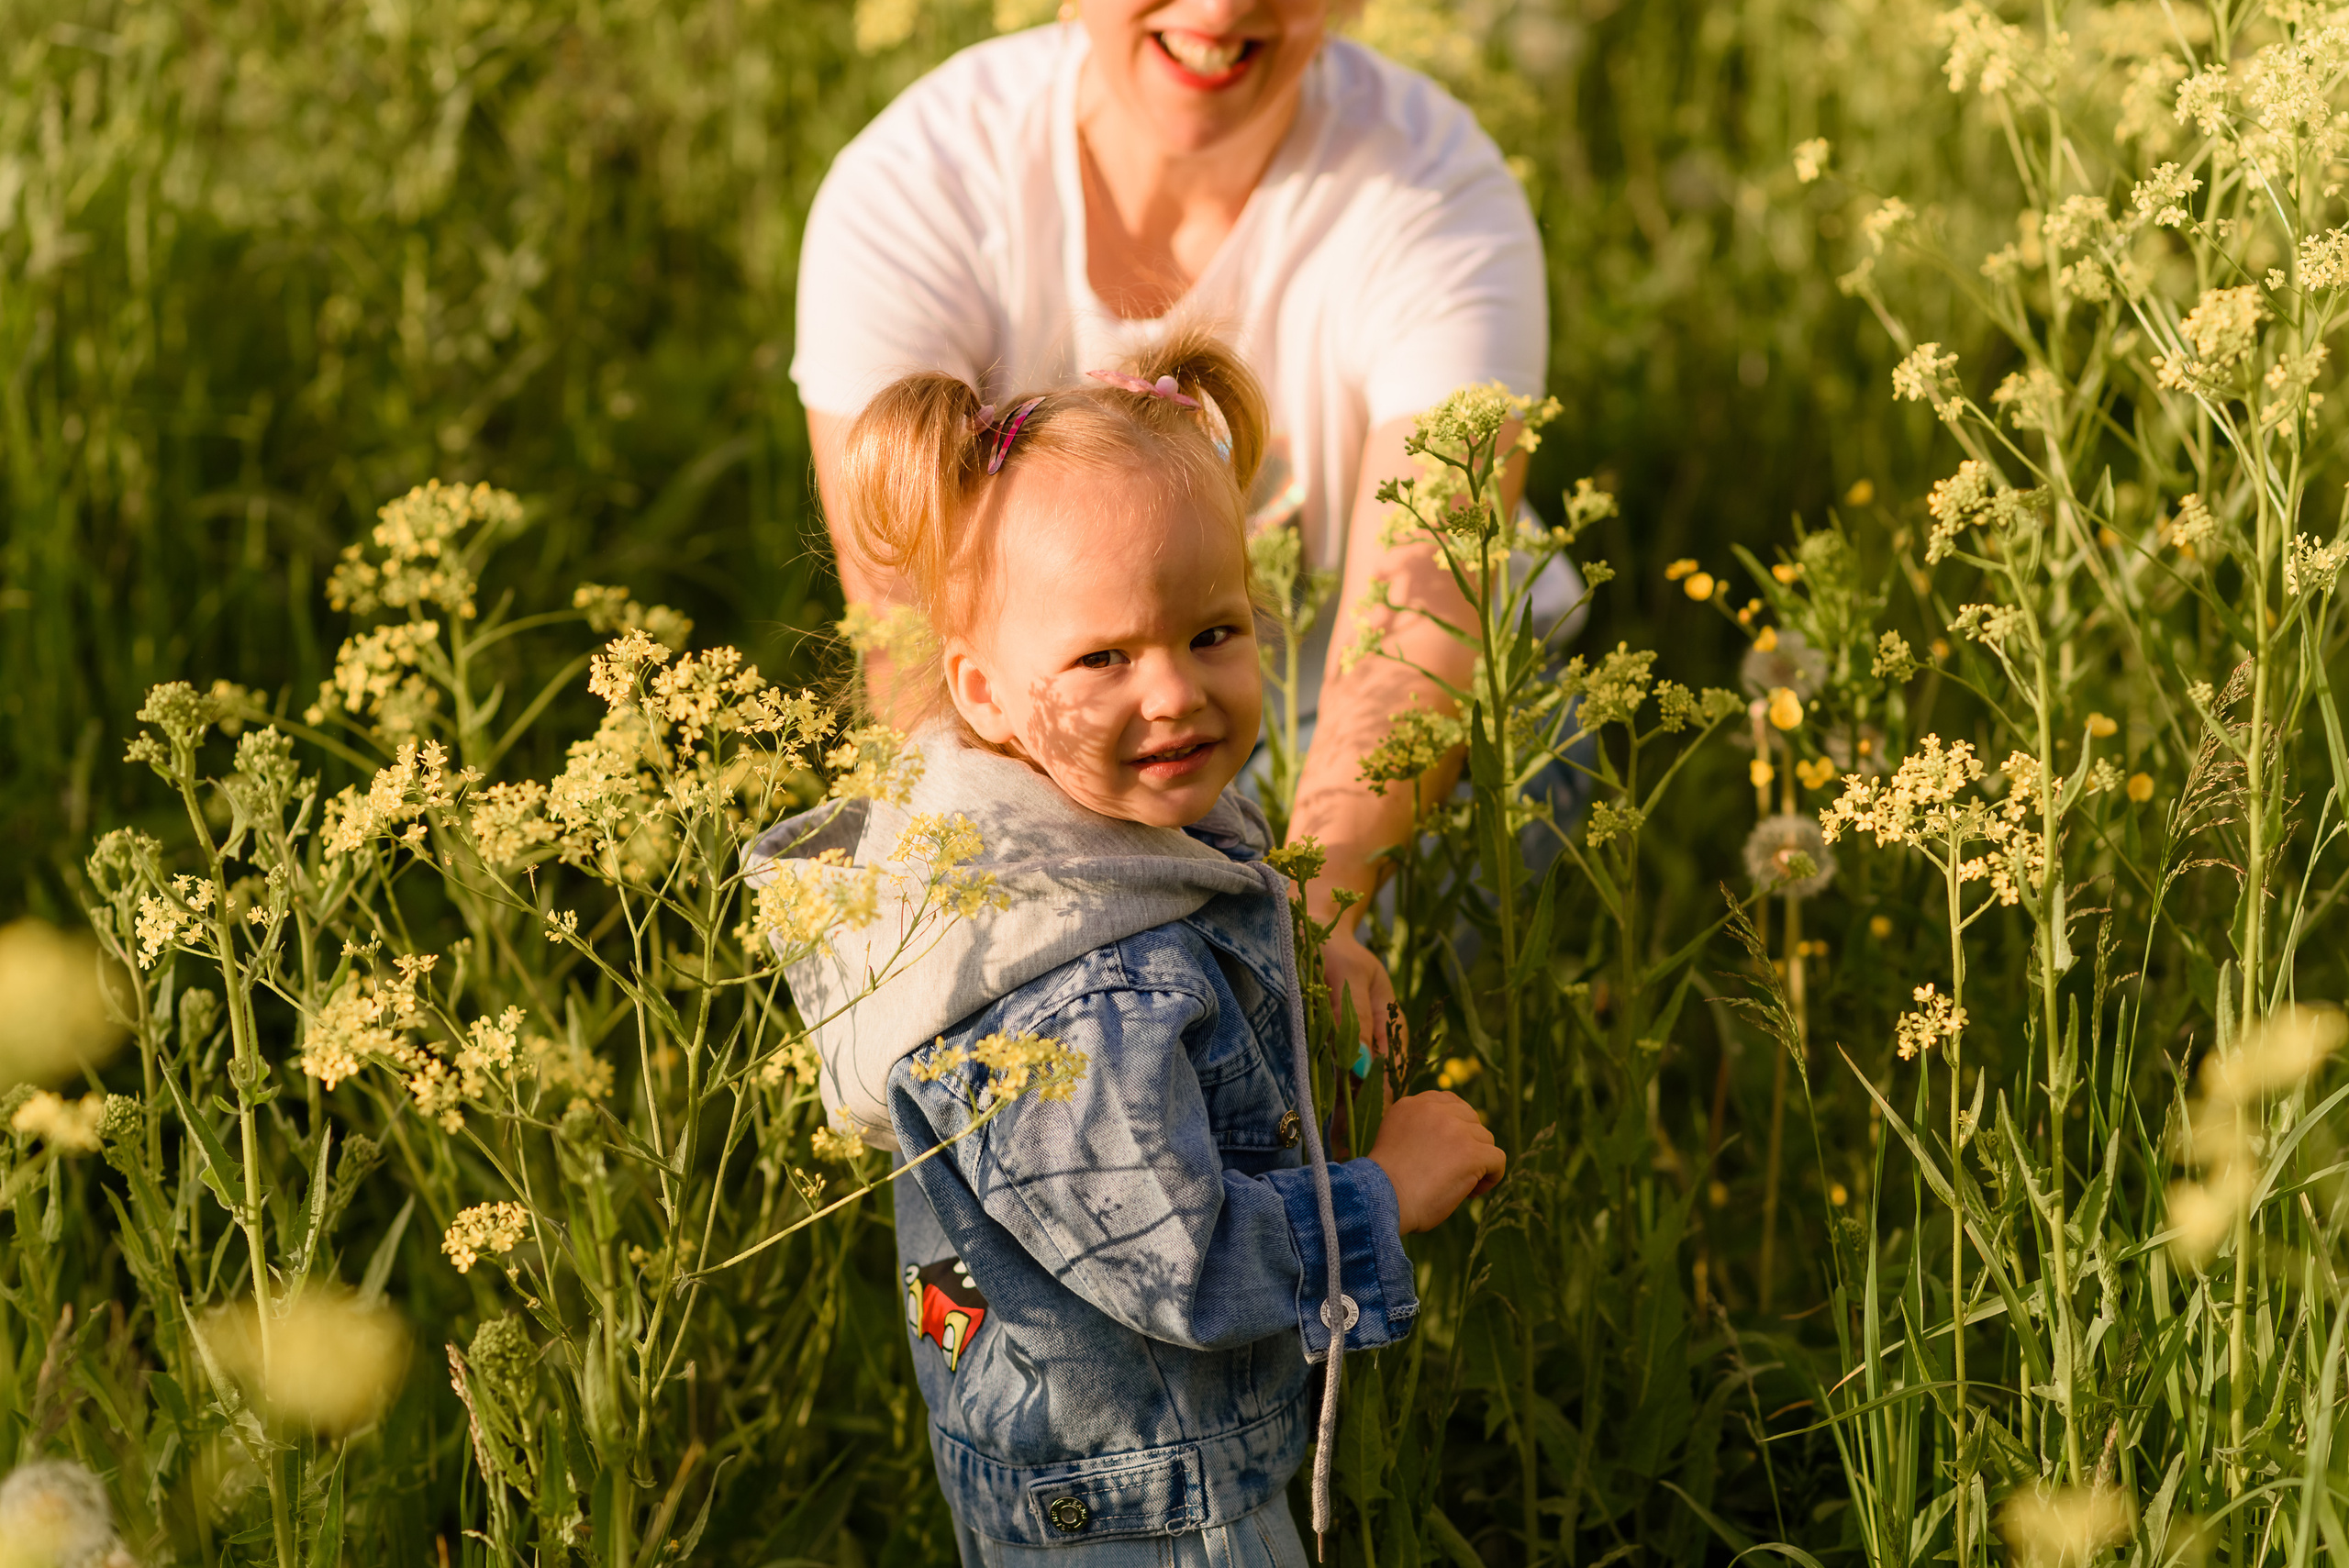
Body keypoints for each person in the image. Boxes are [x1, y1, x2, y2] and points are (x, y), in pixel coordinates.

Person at [751, 335, 1506, 1564]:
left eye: (1213, 633)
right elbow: (1174, 1262)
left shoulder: (1084, 839)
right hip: (1153, 1517)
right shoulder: (1069, 980)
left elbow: (1217, 913)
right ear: (986, 693)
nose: (1175, 694)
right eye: (1104, 658)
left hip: (1122, 1469)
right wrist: (1381, 1196)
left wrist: (1312, 945)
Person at [792, 0, 1550, 1048]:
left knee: (1442, 1015)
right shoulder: (921, 183)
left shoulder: (1433, 191)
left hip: (1369, 716)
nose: (1222, 7)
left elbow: (1418, 624)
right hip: (1061, 730)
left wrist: (1306, 922)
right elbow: (913, 645)